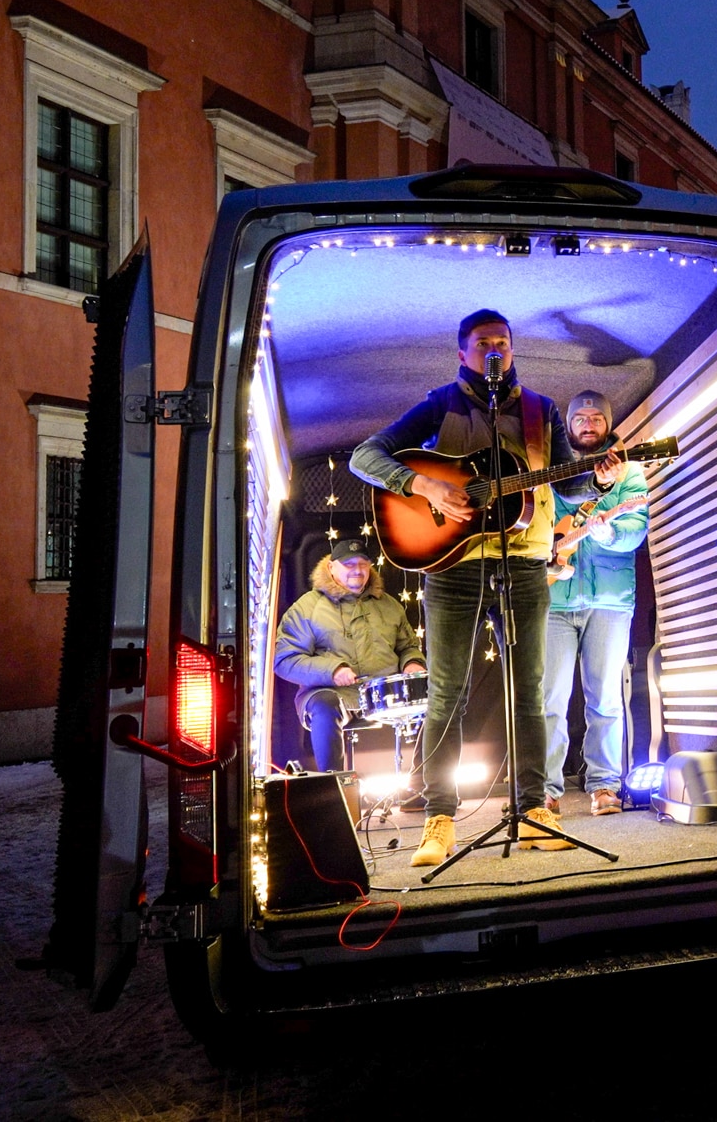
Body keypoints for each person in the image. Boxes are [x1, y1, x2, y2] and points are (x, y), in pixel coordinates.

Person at [350, 307, 618, 865]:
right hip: (449, 564)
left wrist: (597, 476)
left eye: (503, 341)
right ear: (463, 353)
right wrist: (421, 482)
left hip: (522, 562)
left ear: (512, 350)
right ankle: (439, 818)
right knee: (448, 690)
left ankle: (535, 808)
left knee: (531, 688)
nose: (495, 348)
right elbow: (364, 456)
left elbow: (565, 489)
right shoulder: (439, 403)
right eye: (483, 342)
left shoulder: (542, 411)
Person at [541, 391, 649, 819]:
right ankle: (544, 791)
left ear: (608, 423)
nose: (588, 424)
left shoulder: (629, 471)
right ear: (568, 425)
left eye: (596, 418)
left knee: (605, 698)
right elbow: (538, 519)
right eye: (580, 417)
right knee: (549, 699)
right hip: (552, 601)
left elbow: (635, 529)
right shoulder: (549, 467)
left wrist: (605, 532)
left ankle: (604, 786)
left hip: (610, 600)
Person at [272, 537, 425, 772]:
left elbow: (407, 646)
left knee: (434, 701)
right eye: (349, 565)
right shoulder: (307, 608)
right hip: (331, 693)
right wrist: (332, 671)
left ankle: (420, 784)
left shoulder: (389, 605)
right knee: (325, 706)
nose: (358, 571)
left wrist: (412, 663)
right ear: (331, 567)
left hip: (382, 695)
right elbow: (284, 660)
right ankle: (335, 790)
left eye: (363, 564)